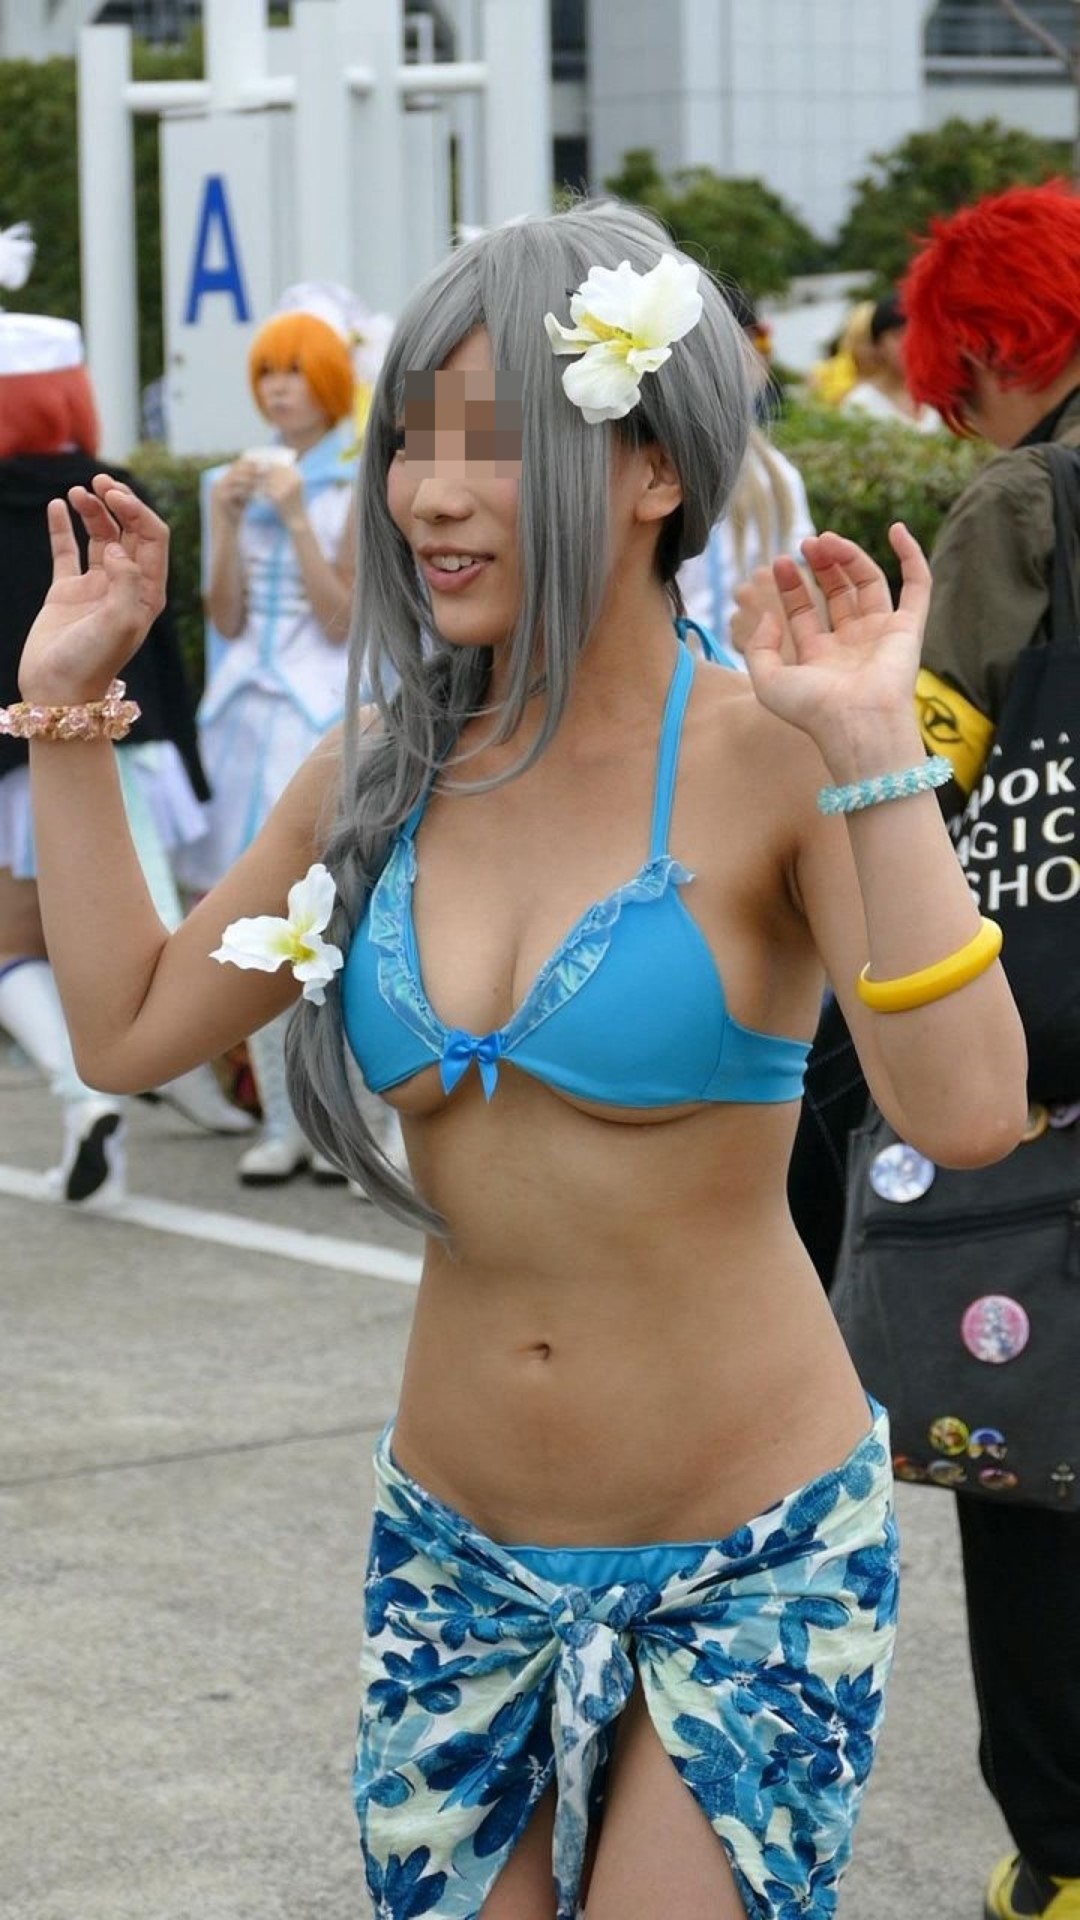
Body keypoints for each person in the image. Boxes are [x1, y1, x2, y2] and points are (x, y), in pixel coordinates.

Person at [16, 202, 1026, 1919]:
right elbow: (126, 1027)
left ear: (653, 469)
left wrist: (873, 748)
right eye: (411, 440)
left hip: (752, 1550)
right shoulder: (377, 772)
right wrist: (66, 711)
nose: (427, 493)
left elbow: (970, 1109)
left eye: (488, 444)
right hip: (456, 1554)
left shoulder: (776, 753)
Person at [897, 177, 1080, 1920]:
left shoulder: (1029, 499)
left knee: (1036, 1472)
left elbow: (916, 781)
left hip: (1050, 1080)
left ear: (998, 346)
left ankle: (1066, 1865)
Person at [0, 231, 251, 1206]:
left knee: (24, 949)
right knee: (147, 938)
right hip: (133, 748)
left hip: (28, 756)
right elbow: (166, 649)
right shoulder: (117, 491)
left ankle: (91, 1100)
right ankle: (179, 1091)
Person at [184, 298, 361, 1186]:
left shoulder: (363, 480)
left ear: (331, 382)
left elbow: (343, 621)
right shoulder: (231, 478)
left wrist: (295, 517)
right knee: (246, 920)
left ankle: (352, 1128)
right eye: (268, 373)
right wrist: (222, 521)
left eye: (296, 371)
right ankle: (286, 1123)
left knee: (336, 919)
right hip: (241, 724)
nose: (280, 389)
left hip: (316, 720)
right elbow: (223, 619)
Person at [678, 291, 816, 668]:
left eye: (758, 343)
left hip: (739, 675)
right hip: (715, 676)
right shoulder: (671, 470)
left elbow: (798, 585)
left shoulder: (775, 473)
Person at [840, 293, 941, 434]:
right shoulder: (860, 405)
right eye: (899, 335)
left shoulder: (945, 396)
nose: (909, 344)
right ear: (877, 346)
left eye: (917, 334)